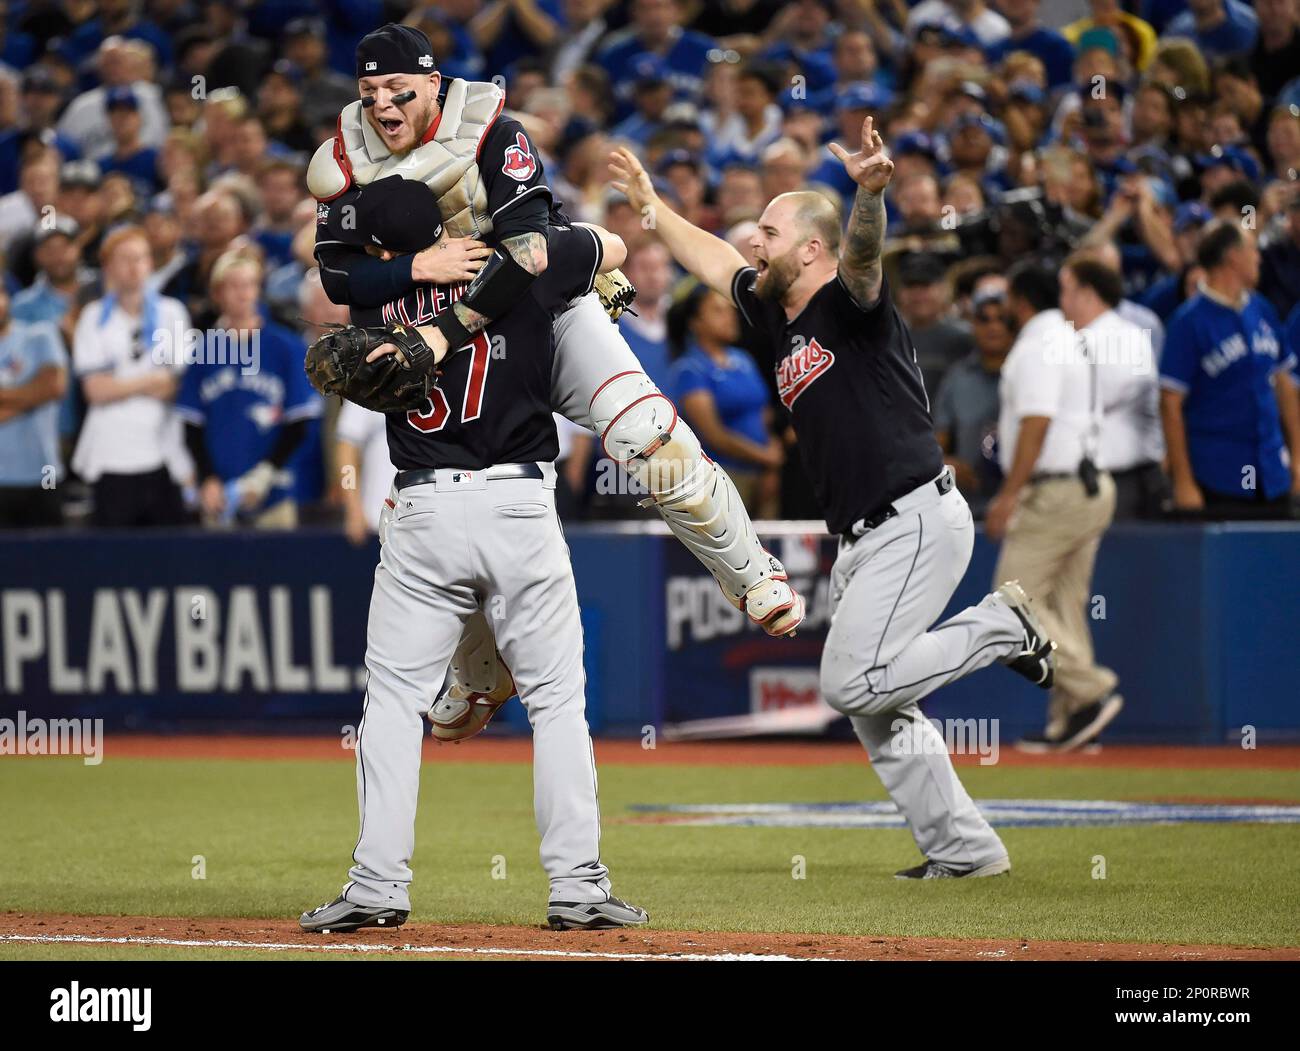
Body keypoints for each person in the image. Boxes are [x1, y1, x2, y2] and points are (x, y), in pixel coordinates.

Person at [307, 25, 805, 744]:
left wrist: (476, 309)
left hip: (538, 308)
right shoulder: (346, 159)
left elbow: (534, 249)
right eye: (369, 90)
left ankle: (751, 570)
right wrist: (419, 269)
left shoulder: (490, 131)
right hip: (441, 320)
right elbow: (338, 272)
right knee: (426, 509)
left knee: (647, 434)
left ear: (434, 84)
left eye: (398, 87)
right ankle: (479, 674)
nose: (383, 103)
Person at [609, 117, 1061, 880]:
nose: (755, 243)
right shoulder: (778, 317)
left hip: (912, 512)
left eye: (770, 232)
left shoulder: (851, 304)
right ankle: (966, 853)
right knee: (877, 707)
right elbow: (716, 259)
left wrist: (870, 195)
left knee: (851, 682)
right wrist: (654, 210)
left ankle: (1001, 626)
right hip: (864, 534)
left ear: (810, 248)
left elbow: (860, 255)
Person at [299, 214, 650, 935]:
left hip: (422, 501)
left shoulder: (374, 297)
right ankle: (578, 886)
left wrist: (396, 272)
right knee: (556, 700)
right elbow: (614, 246)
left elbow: (340, 275)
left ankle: (376, 885)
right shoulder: (529, 262)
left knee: (394, 700)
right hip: (518, 498)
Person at [986, 262, 1123, 753]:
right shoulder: (1069, 338)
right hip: (1089, 484)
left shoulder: (1037, 343)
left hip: (1059, 489)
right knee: (1065, 605)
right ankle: (1074, 719)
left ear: (1021, 301)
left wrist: (1009, 494)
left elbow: (1036, 423)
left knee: (1008, 601)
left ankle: (1090, 689)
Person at [1160, 221, 1300, 518]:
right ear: (1233, 257)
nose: (1258, 257)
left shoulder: (1262, 308)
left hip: (1272, 471)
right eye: (1252, 250)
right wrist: (1184, 482)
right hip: (1219, 474)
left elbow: (1284, 382)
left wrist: (1298, 457)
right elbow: (1170, 404)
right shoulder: (1188, 322)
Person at [175, 252, 321, 530]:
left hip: (274, 492)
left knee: (280, 572)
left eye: (249, 285)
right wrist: (207, 479)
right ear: (218, 293)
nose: (242, 294)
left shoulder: (285, 347)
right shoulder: (204, 349)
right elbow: (191, 424)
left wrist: (264, 475)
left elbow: (300, 422)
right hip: (219, 496)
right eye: (233, 286)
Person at [70, 225, 191, 528]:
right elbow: (95, 391)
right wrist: (150, 381)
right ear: (108, 266)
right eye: (125, 259)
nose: (134, 267)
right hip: (111, 454)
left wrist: (119, 383)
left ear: (150, 263)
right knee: (114, 559)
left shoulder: (172, 312)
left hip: (164, 452)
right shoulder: (92, 316)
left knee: (170, 556)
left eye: (141, 258)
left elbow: (176, 386)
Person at [1062, 254, 1168, 519]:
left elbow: (1099, 396)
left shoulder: (1124, 337)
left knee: (1122, 558)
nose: (1060, 302)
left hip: (1127, 480)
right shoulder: (1087, 339)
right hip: (1107, 478)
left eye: (1065, 292)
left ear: (1086, 294)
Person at [667, 283, 781, 513]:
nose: (730, 317)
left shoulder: (743, 359)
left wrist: (771, 466)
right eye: (718, 311)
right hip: (720, 477)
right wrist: (766, 457)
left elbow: (763, 412)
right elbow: (714, 435)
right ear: (696, 322)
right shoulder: (690, 370)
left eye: (730, 310)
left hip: (763, 476)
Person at [932, 286, 1010, 516]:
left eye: (1001, 319)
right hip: (968, 504)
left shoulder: (1031, 372)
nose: (993, 327)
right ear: (973, 325)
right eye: (984, 319)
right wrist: (947, 465)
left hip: (1022, 501)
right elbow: (935, 449)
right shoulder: (957, 378)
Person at [0, 287, 67, 528]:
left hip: (45, 474)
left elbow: (54, 388)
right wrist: (32, 395)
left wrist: (39, 393)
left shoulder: (40, 335)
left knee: (51, 560)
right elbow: (42, 391)